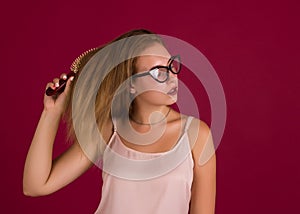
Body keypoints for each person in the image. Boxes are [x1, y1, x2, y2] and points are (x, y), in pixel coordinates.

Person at [23, 29, 216, 214]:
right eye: (158, 72)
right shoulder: (111, 129)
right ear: (131, 84)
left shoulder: (196, 135)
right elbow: (35, 186)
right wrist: (51, 113)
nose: (172, 77)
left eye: (171, 65)